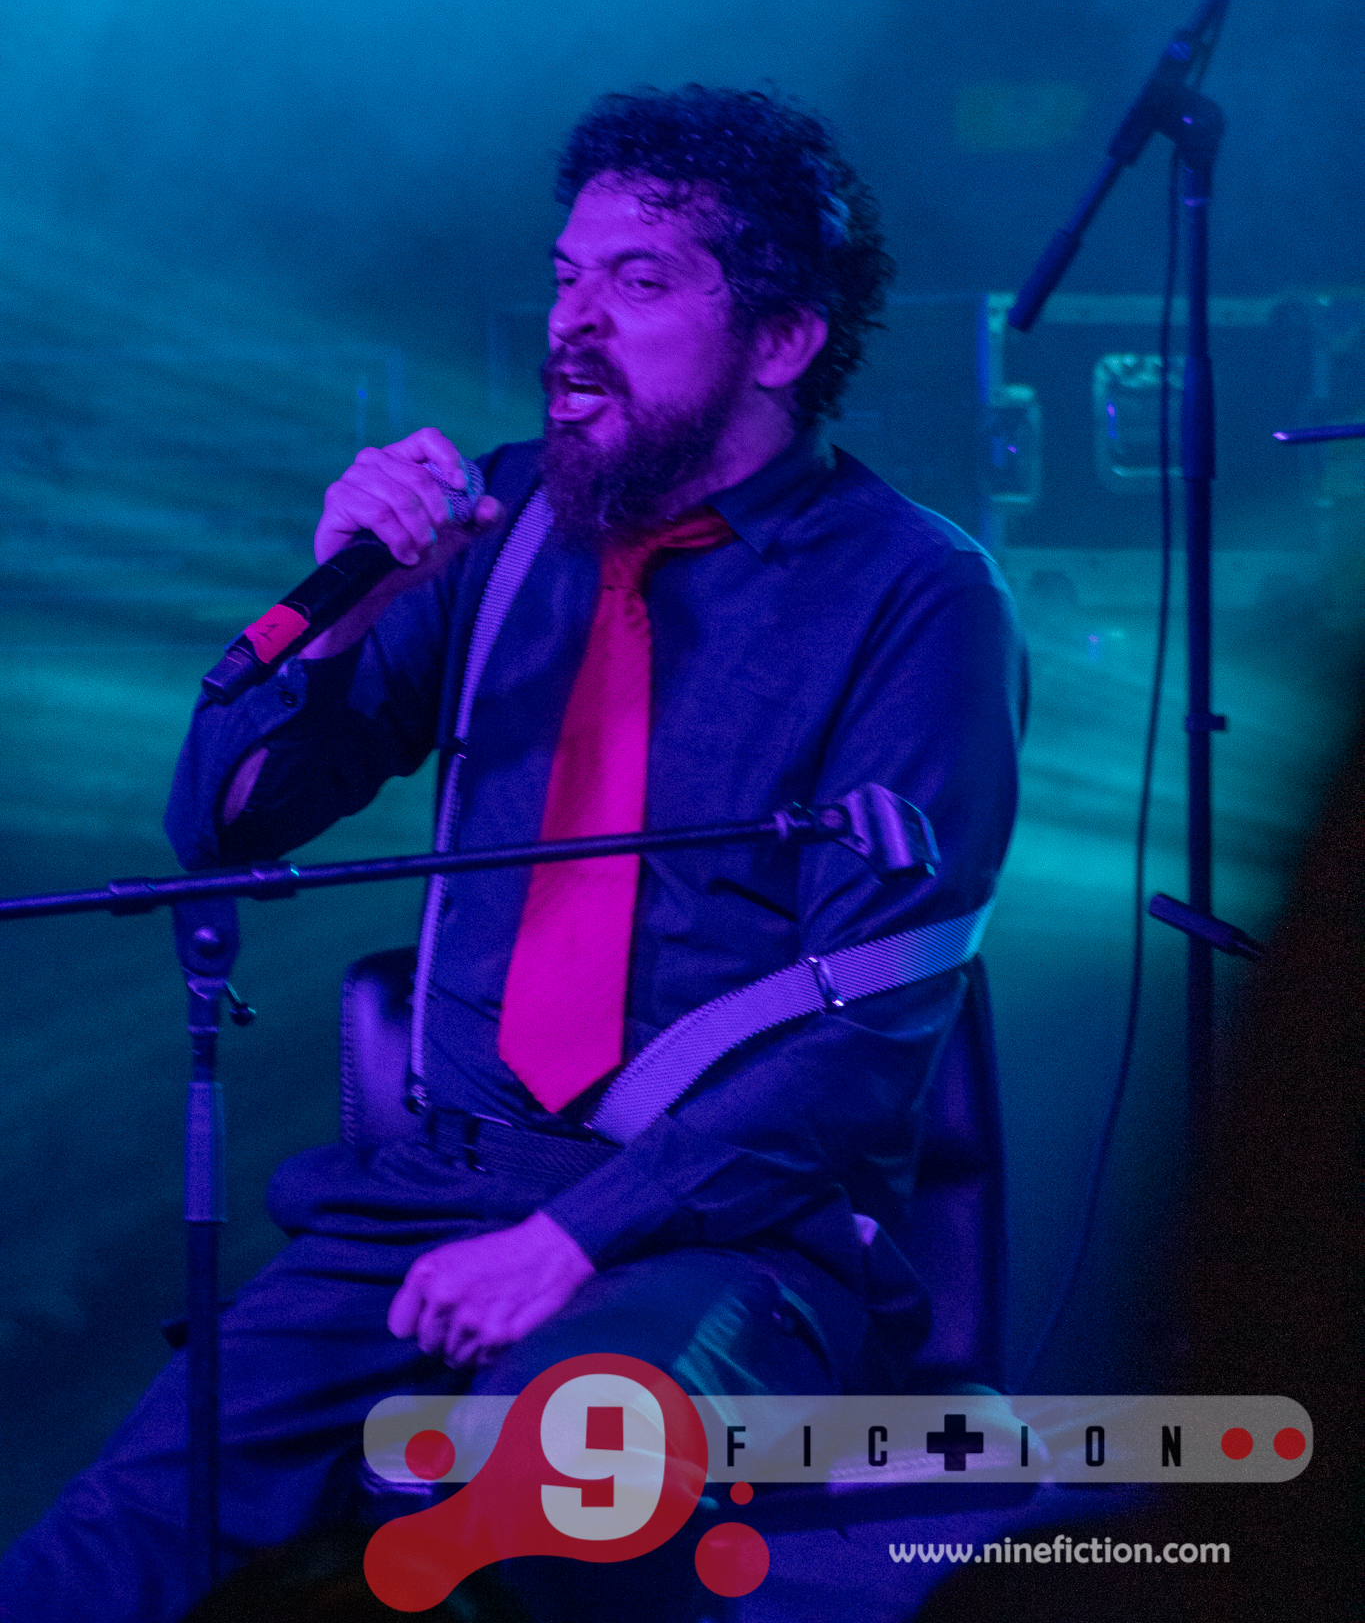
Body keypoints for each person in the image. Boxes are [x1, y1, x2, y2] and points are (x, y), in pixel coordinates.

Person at [0, 85, 1026, 1621]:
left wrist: (568, 1239)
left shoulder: (915, 597)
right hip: (427, 1195)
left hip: (728, 1229)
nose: (572, 321)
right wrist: (340, 615)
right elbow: (223, 825)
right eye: (564, 275)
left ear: (782, 337)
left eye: (639, 280)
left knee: (563, 1485)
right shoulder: (504, 525)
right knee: (109, 1542)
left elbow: (861, 1040)